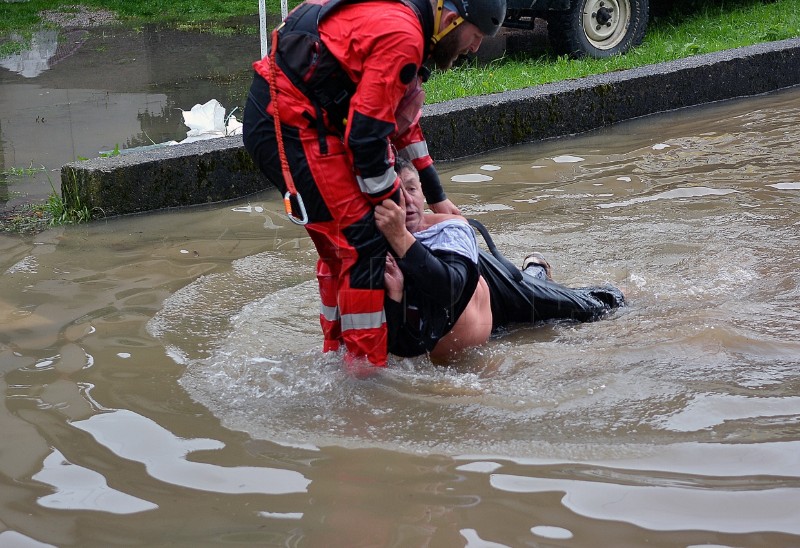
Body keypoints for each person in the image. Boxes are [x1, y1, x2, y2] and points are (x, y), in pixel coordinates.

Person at [242, 0, 507, 368]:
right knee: (362, 241)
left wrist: (436, 196)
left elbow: (401, 124)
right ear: (450, 20)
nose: (475, 47)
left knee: (346, 242)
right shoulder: (404, 36)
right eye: (476, 36)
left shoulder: (412, 24)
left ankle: (338, 353)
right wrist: (392, 205)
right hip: (289, 123)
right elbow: (366, 140)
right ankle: (363, 373)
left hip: (306, 117)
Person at [375, 158, 625, 361]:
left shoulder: (447, 229)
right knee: (529, 297)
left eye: (412, 189)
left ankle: (540, 271)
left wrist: (401, 237)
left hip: (493, 288)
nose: (407, 202)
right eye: (397, 192)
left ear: (422, 192)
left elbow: (450, 288)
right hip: (480, 324)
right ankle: (536, 268)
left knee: (597, 305)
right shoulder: (368, 244)